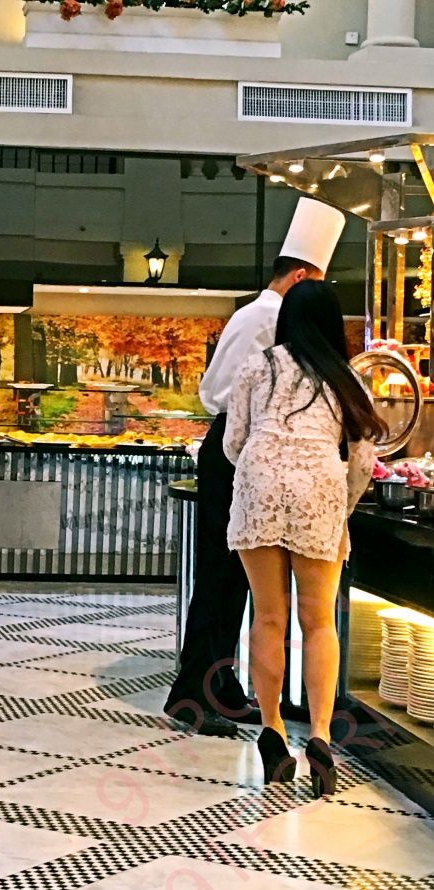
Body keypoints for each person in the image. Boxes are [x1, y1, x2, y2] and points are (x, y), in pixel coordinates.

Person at [164, 198, 346, 737]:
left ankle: (222, 687)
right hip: (236, 453)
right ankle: (194, 694)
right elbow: (232, 401)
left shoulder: (256, 315)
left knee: (237, 586)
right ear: (300, 278)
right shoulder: (266, 319)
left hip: (248, 455)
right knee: (221, 579)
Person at [223, 280, 386, 797]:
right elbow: (362, 459)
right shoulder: (345, 379)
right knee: (318, 623)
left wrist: (262, 470)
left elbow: (233, 442)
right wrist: (343, 507)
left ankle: (272, 729)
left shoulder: (258, 367)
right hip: (319, 485)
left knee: (267, 617)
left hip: (260, 481)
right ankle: (319, 736)